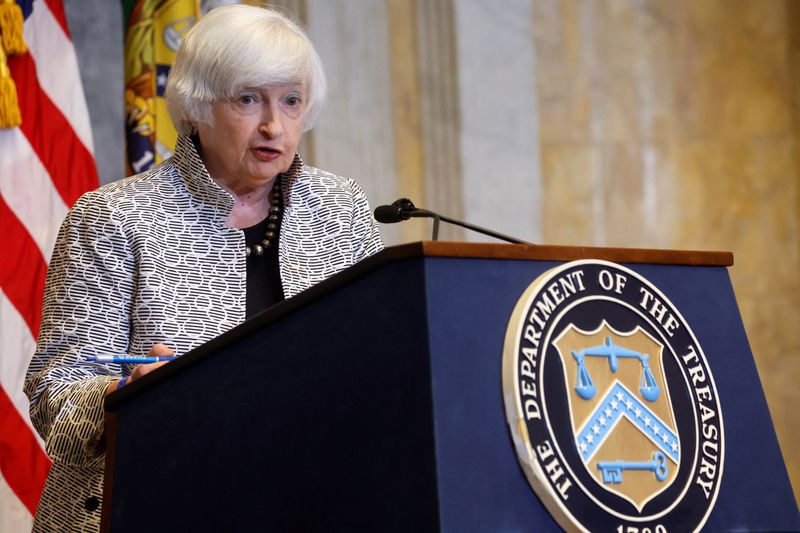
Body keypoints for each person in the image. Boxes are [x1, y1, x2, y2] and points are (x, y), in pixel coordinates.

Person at [24, 5, 383, 531]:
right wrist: (125, 396)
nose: (273, 125)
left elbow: (377, 361)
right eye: (247, 99)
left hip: (306, 499)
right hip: (145, 504)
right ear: (197, 106)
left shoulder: (340, 207)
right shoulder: (114, 215)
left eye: (291, 101)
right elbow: (54, 396)